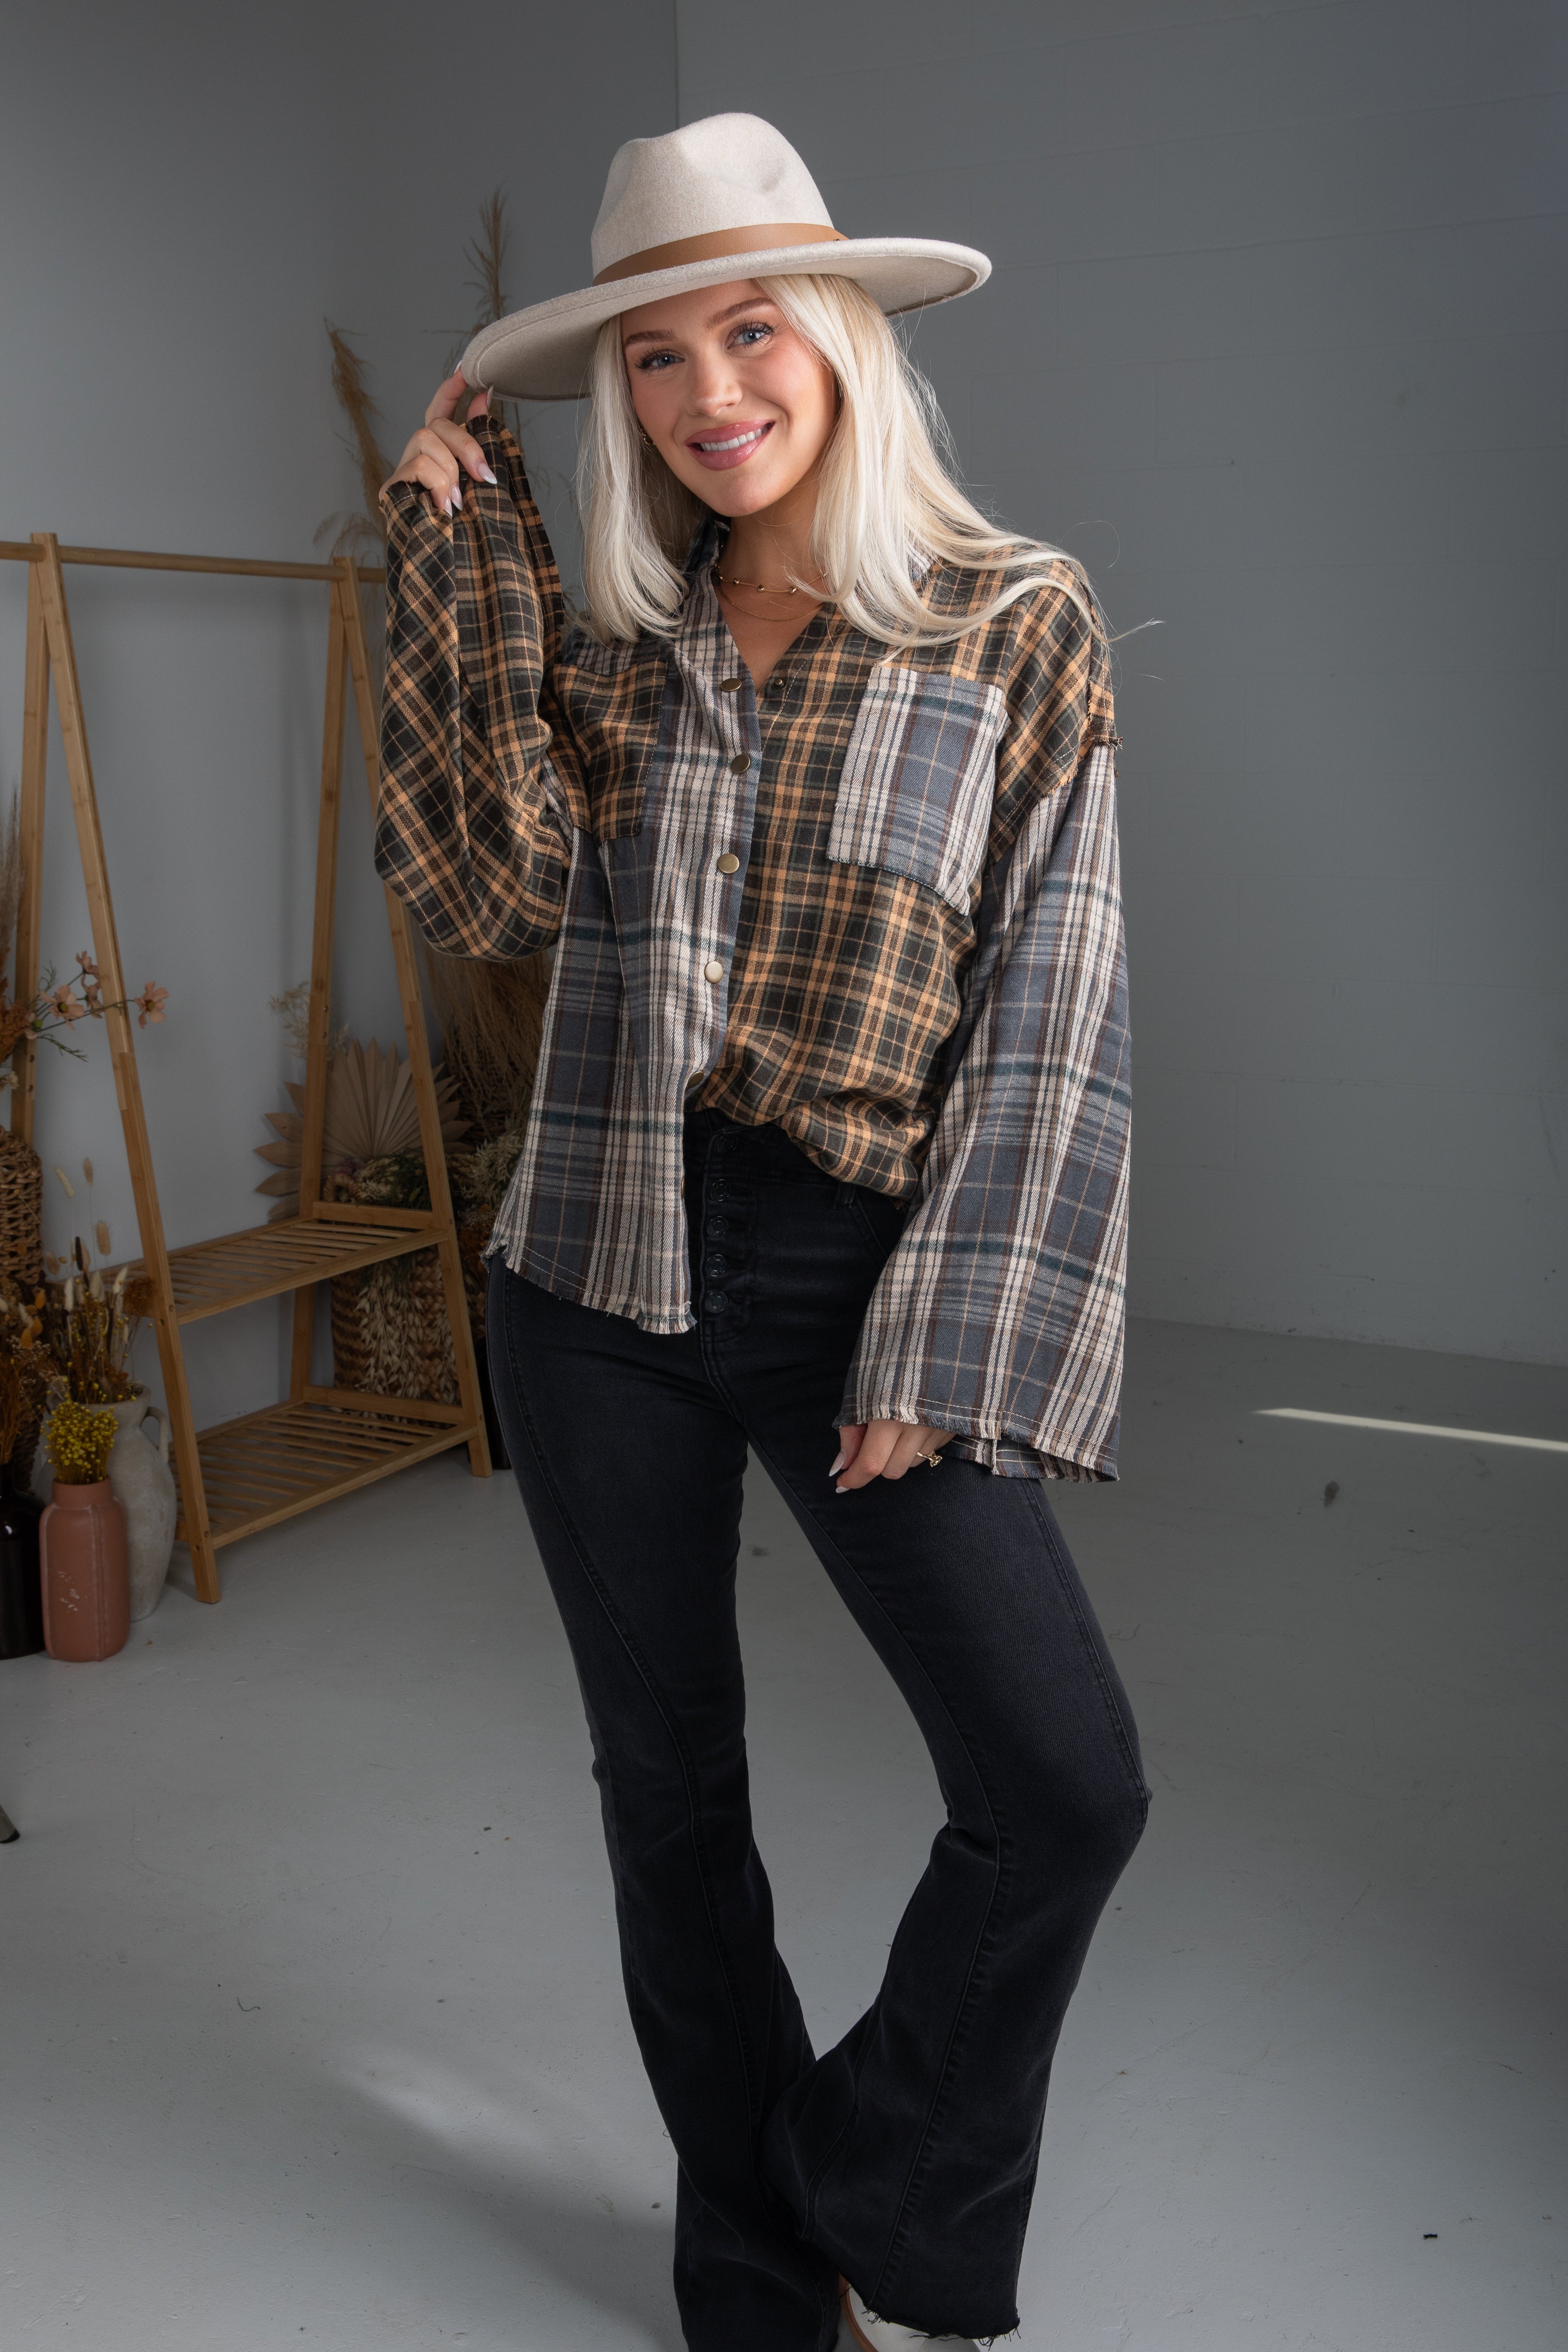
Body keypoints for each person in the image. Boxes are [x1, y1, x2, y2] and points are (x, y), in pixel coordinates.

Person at [376, 110, 1147, 2352]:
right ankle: (745, 2252)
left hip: (853, 1268)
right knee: (668, 1785)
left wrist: (947, 1333)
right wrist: (449, 552)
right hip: (590, 1264)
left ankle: (832, 2169)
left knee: (1059, 1782)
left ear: (836, 339)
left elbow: (1054, 1003)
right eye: (649, 356)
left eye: (747, 330)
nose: (707, 392)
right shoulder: (624, 637)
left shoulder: (1012, 619)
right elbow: (485, 893)